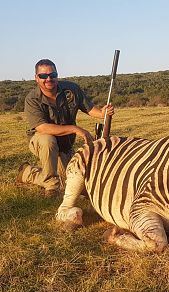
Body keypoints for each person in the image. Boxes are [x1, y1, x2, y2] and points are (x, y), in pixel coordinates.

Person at [16, 59, 114, 198]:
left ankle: (27, 173)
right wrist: (76, 129)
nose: (49, 79)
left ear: (57, 75)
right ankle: (51, 188)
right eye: (43, 76)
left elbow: (90, 109)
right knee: (47, 140)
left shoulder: (72, 89)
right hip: (42, 141)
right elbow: (42, 128)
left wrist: (103, 113)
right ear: (36, 78)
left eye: (52, 74)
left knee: (71, 181)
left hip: (65, 144)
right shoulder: (32, 99)